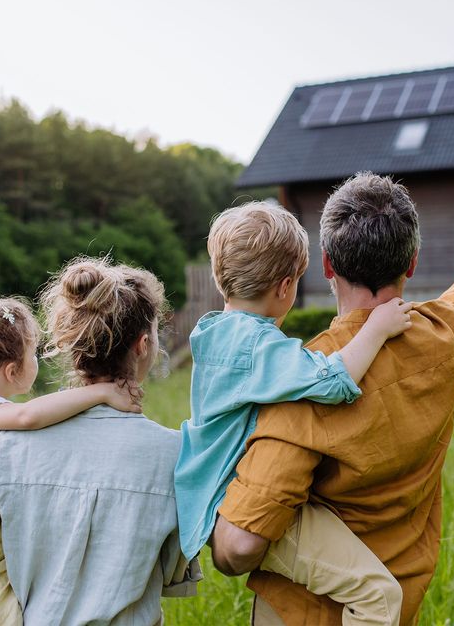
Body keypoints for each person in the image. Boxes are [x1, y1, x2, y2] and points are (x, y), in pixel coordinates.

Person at [209, 173, 454, 626]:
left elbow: (239, 547)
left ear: (327, 265)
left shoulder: (301, 381)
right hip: (395, 608)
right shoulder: (446, 335)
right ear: (412, 262)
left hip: (299, 615)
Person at [0, 258, 200, 625]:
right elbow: (175, 571)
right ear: (143, 345)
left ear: (68, 342)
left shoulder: (3, 447)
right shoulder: (177, 455)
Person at [176, 201, 413, 626]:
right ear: (286, 288)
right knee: (378, 596)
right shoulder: (257, 347)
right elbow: (333, 381)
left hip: (212, 501)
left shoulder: (211, 332)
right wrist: (377, 326)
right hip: (237, 506)